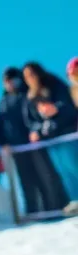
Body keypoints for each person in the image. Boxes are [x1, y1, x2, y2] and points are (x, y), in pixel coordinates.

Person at [0, 67, 68, 214]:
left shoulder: (27, 95)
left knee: (45, 176)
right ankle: (33, 211)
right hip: (17, 149)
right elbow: (1, 126)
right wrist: (2, 143)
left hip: (36, 144)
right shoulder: (2, 103)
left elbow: (33, 117)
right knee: (26, 181)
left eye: (13, 80)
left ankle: (53, 208)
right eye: (7, 81)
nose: (11, 84)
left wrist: (38, 132)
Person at [22, 62, 78, 200]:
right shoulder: (29, 97)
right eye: (27, 76)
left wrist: (55, 110)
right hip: (49, 139)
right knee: (62, 171)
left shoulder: (54, 85)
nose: (30, 78)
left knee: (73, 165)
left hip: (66, 134)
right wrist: (38, 131)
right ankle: (75, 199)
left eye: (32, 74)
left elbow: (68, 106)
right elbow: (31, 121)